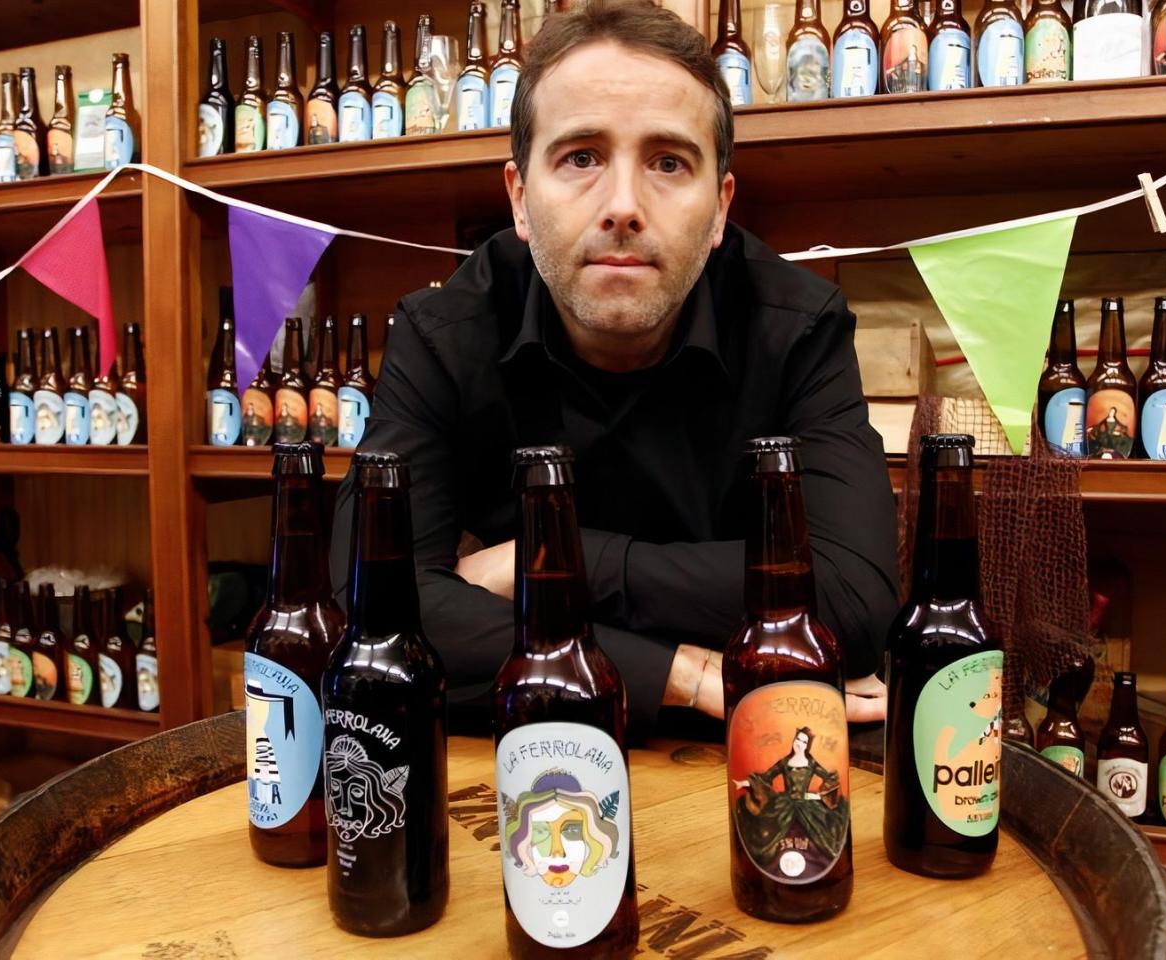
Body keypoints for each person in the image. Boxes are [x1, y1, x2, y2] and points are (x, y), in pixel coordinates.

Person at [329, 0, 898, 738]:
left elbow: (854, 601)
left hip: (758, 745)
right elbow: (372, 612)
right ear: (519, 198)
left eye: (668, 162)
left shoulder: (797, 327)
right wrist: (680, 674)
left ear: (720, 208)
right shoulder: (445, 334)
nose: (623, 206)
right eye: (581, 158)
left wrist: (550, 565)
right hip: (554, 738)